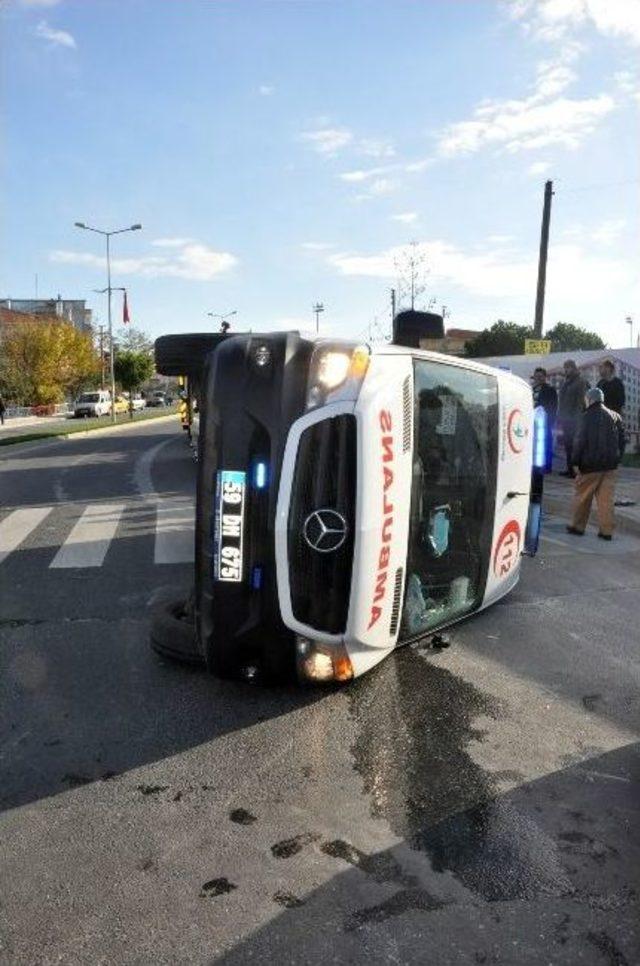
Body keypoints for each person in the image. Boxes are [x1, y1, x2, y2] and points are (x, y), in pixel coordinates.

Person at [566, 387, 626, 540]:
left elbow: (579, 441)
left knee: (582, 497)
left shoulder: (585, 417)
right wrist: (617, 458)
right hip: (610, 466)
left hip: (590, 466)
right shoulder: (615, 416)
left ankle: (577, 527)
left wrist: (575, 462)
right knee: (606, 501)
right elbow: (622, 441)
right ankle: (606, 532)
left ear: (590, 399)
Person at [557, 359, 588, 477]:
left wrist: (578, 419)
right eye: (565, 367)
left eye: (568, 367)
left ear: (574, 368)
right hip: (565, 418)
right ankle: (569, 469)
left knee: (575, 446)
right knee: (567, 445)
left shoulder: (581, 382)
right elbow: (562, 401)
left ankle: (576, 470)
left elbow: (581, 402)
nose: (566, 370)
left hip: (575, 419)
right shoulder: (566, 382)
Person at [531, 367, 558, 473]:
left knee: (546, 445)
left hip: (545, 422)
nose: (538, 378)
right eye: (536, 376)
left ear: (545, 377)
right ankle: (535, 465)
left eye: (540, 376)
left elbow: (553, 406)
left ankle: (547, 467)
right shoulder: (531, 389)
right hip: (532, 422)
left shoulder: (550, 389)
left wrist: (550, 421)